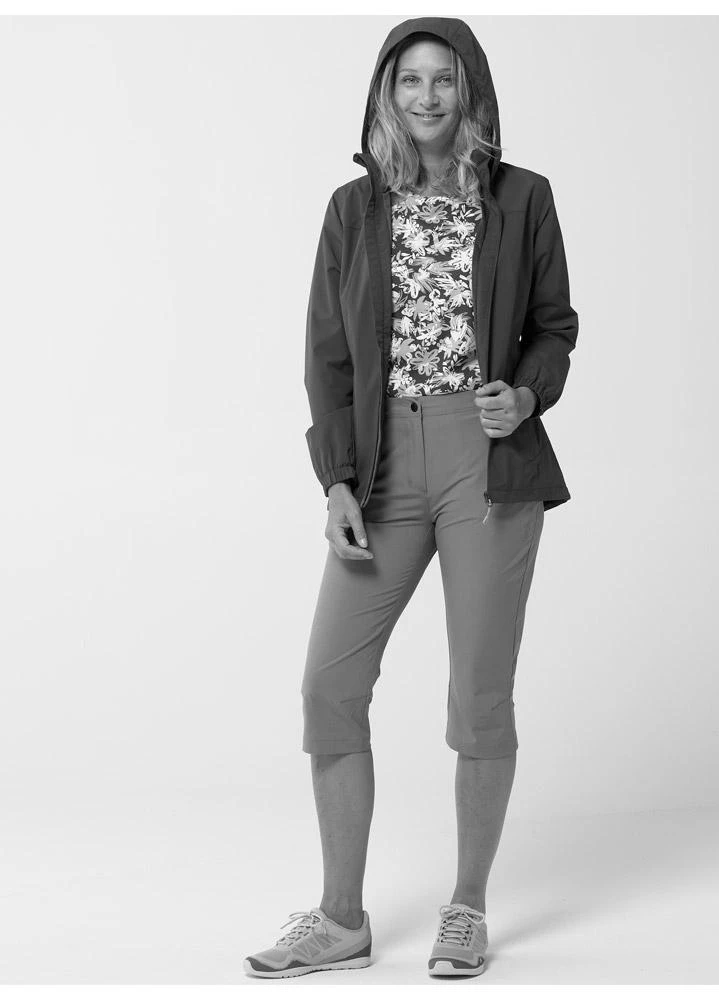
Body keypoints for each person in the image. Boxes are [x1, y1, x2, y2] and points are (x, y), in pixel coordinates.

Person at [245, 16, 578, 980]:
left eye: (444, 79)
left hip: (488, 462)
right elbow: (328, 358)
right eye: (409, 81)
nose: (427, 97)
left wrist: (525, 394)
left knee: (479, 694)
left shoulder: (523, 198)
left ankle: (467, 907)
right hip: (382, 462)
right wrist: (337, 480)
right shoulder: (354, 209)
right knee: (329, 685)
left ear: (471, 90)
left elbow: (555, 327)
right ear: (385, 96)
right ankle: (340, 918)